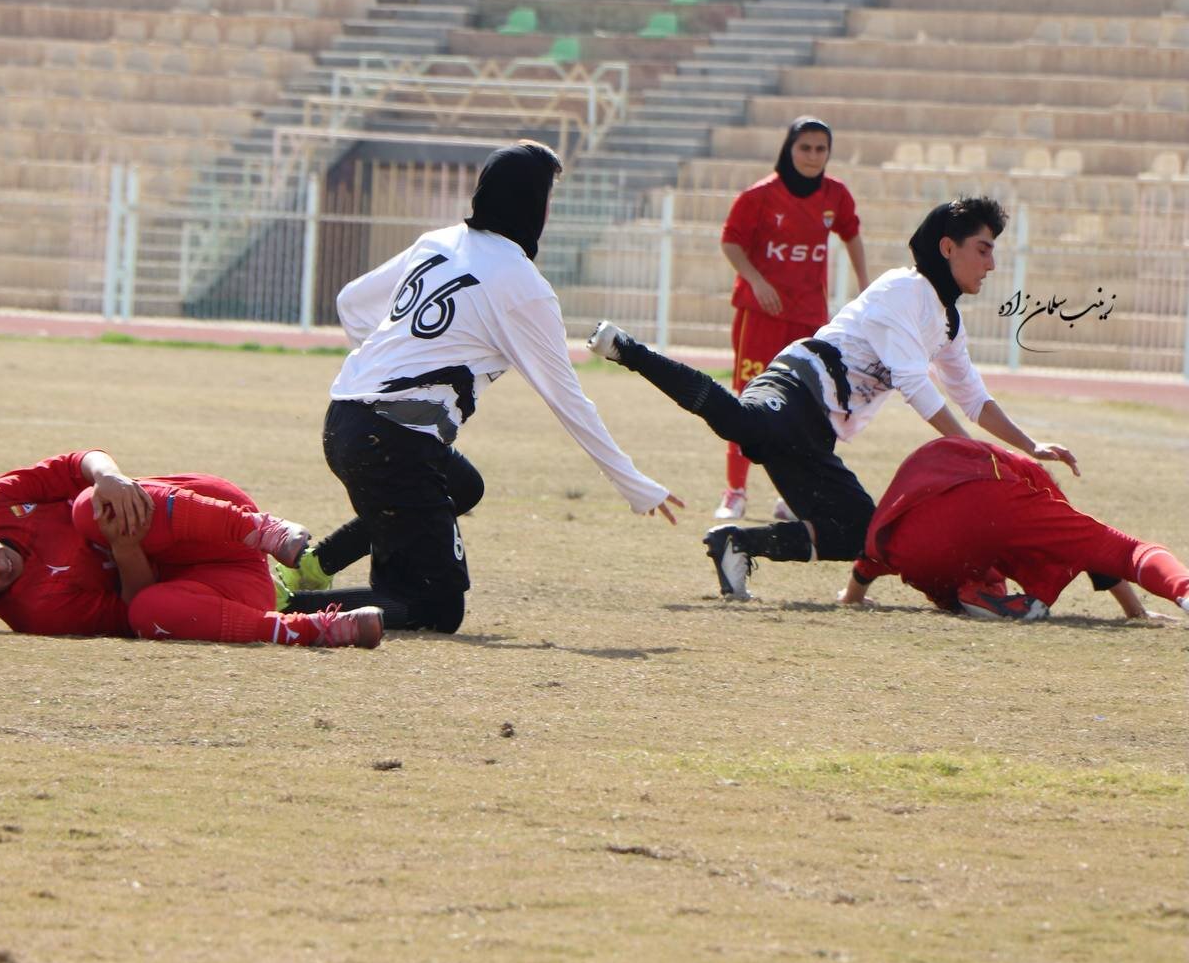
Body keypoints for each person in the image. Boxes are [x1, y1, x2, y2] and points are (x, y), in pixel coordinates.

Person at [588, 196, 1077, 600]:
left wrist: (1028, 445)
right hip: (796, 386)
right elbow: (913, 383)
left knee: (855, 532)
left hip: (816, 431)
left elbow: (973, 397)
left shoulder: (949, 323)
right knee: (742, 423)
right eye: (984, 249)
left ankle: (736, 543)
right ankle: (629, 350)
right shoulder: (903, 289)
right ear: (948, 247)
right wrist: (976, 453)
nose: (992, 263)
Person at [306, 138, 681, 635]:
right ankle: (286, 602)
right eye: (549, 198)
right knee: (434, 610)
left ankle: (315, 565)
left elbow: (352, 302)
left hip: (344, 419)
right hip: (392, 443)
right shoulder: (522, 285)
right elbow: (567, 399)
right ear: (532, 203)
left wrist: (379, 370)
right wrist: (634, 484)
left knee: (462, 485)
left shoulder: (437, 241)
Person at [0, 449, 384, 648]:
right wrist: (125, 549)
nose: (2, 567)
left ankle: (261, 529)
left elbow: (78, 462)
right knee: (147, 611)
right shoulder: (36, 613)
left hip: (211, 518)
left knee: (88, 506)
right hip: (223, 588)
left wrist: (109, 475)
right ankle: (314, 630)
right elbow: (138, 609)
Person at [838, 436, 1189, 623]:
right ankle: (1185, 590)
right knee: (1130, 549)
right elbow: (1106, 554)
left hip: (916, 546)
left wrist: (852, 598)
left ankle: (978, 596)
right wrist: (1134, 610)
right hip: (984, 489)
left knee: (968, 569)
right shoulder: (1029, 486)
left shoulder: (916, 549)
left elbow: (870, 558)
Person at [715, 117, 869, 521]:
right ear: (789, 149)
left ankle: (795, 498)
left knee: (812, 406)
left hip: (809, 317)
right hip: (761, 315)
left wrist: (865, 283)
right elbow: (731, 242)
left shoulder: (836, 195)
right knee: (746, 399)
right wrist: (756, 280)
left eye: (821, 149)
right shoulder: (760, 196)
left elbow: (852, 234)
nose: (813, 157)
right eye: (806, 148)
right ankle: (735, 491)